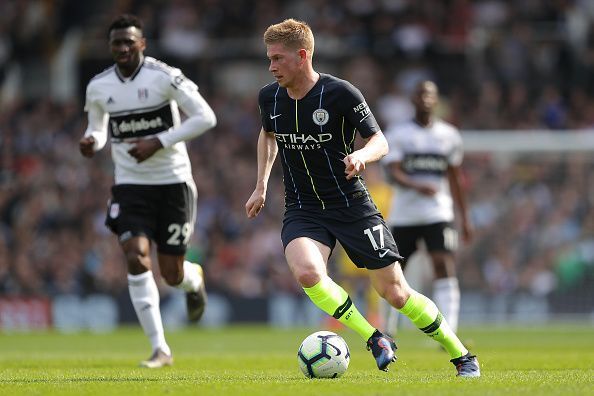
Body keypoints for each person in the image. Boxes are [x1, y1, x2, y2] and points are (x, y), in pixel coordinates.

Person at [245, 19, 480, 377]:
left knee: (396, 293)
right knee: (308, 273)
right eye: (269, 59)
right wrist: (261, 184)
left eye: (278, 58)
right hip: (303, 209)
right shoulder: (269, 97)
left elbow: (380, 141)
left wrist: (361, 156)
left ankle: (462, 354)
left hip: (351, 206)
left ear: (302, 55)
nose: (271, 66)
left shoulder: (340, 93)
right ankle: (375, 338)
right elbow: (268, 135)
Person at [79, 14, 216, 368]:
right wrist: (92, 141)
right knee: (136, 256)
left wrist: (160, 141)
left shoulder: (164, 77)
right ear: (109, 48)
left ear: (142, 44)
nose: (122, 48)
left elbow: (205, 117)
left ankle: (193, 280)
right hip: (130, 186)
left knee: (171, 273)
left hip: (173, 183)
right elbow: (98, 128)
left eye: (129, 41)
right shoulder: (99, 86)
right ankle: (161, 349)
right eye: (116, 43)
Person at [381, 81, 472, 337]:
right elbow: (392, 171)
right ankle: (388, 330)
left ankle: (449, 331)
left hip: (438, 213)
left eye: (430, 94)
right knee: (393, 269)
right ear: (413, 99)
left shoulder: (449, 135)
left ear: (436, 100)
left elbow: (455, 179)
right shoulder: (399, 134)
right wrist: (417, 185)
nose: (425, 99)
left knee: (443, 264)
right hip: (405, 215)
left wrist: (465, 218)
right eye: (420, 94)